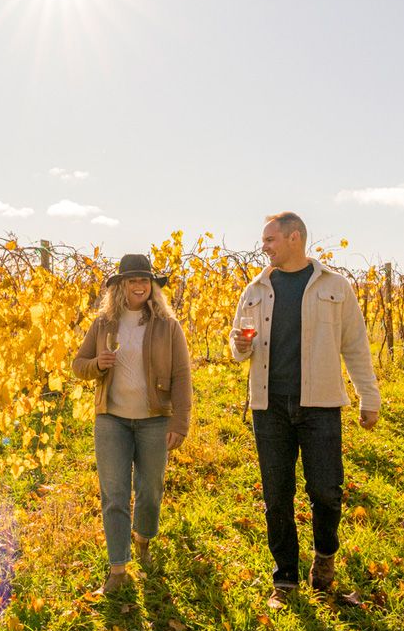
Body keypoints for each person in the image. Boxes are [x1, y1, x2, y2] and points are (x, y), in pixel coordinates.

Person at [230, 212, 380, 603]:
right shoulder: (256, 288)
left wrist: (369, 396)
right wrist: (240, 346)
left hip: (321, 405)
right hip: (269, 405)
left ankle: (325, 555)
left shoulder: (335, 286)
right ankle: (285, 579)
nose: (263, 246)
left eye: (270, 239)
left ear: (294, 238)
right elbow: (237, 346)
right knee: (276, 494)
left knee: (327, 491)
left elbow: (356, 346)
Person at [71, 253, 194, 595]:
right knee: (114, 494)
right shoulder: (103, 324)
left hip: (155, 421)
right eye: (132, 280)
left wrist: (180, 422)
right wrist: (97, 363)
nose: (139, 286)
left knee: (150, 490)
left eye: (145, 280)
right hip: (112, 420)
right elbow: (78, 364)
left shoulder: (168, 326)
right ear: (121, 286)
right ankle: (117, 567)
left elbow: (182, 375)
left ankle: (143, 540)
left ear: (152, 287)